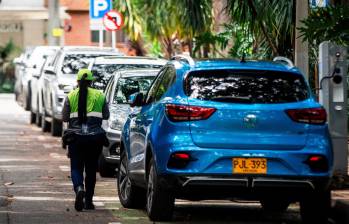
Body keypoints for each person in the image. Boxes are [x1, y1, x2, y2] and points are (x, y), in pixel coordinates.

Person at [62, 69, 109, 211]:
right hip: (95, 140)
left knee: (76, 167)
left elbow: (64, 118)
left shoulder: (70, 96)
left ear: (77, 81)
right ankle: (88, 202)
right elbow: (106, 115)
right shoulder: (100, 95)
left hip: (76, 139)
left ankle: (79, 188)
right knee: (90, 170)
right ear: (91, 82)